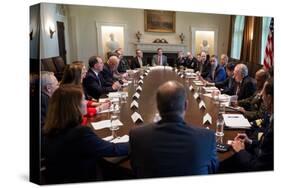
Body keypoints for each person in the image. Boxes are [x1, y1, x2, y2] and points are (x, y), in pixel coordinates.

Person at [129, 81, 219, 178]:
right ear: (186, 105)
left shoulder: (137, 136)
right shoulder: (207, 137)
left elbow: (135, 169)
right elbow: (212, 170)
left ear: (158, 106)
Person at [43, 84, 129, 183]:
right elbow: (113, 150)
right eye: (83, 100)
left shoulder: (51, 128)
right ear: (74, 106)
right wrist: (139, 142)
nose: (86, 103)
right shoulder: (79, 133)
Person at [219, 80, 273, 172]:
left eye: (263, 94)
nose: (261, 96)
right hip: (254, 153)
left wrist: (241, 151)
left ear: (269, 98)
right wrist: (250, 141)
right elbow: (263, 144)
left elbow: (257, 167)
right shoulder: (271, 116)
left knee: (221, 165)